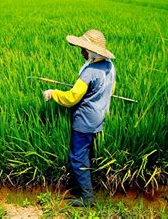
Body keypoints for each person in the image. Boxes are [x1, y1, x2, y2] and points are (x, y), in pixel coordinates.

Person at [43, 29, 116, 207]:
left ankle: (87, 197)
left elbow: (72, 98)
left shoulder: (89, 72)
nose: (81, 51)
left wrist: (53, 93)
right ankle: (86, 186)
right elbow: (110, 90)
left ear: (92, 51)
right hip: (99, 118)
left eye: (84, 48)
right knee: (86, 153)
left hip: (84, 121)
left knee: (77, 156)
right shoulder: (109, 66)